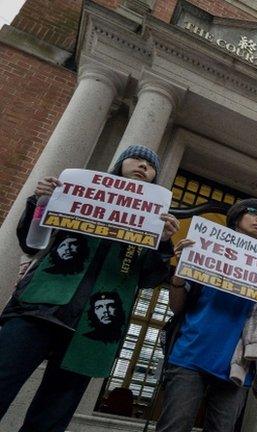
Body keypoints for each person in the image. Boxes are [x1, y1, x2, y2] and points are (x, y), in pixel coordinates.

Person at [0, 145, 178, 432]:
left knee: (51, 417)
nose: (144, 166)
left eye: (151, 164)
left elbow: (148, 279)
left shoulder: (152, 223)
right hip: (36, 310)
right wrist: (41, 202)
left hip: (94, 330)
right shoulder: (75, 195)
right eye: (137, 159)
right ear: (119, 163)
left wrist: (163, 244)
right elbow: (32, 244)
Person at [155, 198, 257, 432]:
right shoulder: (205, 248)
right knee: (173, 427)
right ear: (237, 216)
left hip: (236, 366)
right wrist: (178, 275)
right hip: (190, 355)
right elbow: (177, 308)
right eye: (255, 213)